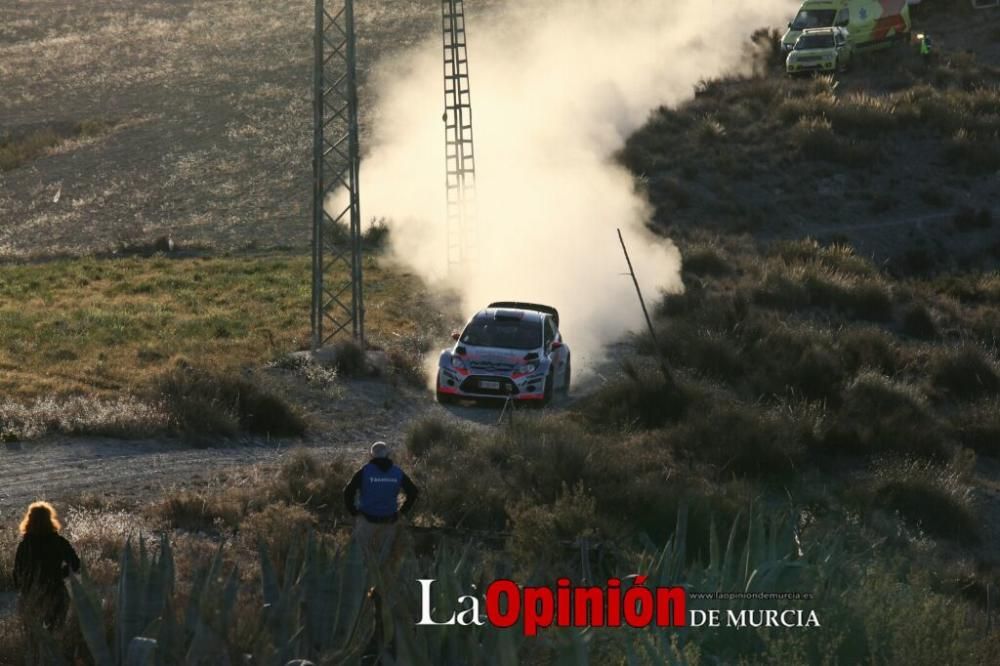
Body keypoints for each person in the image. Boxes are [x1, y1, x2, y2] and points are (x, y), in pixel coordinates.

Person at [343, 441, 419, 567]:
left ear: (371, 456)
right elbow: (413, 492)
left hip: (366, 521)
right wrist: (402, 512)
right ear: (388, 455)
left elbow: (348, 492)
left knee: (361, 561)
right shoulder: (397, 472)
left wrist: (354, 512)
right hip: (389, 521)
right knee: (383, 560)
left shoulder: (364, 471)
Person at [14, 501, 81, 631]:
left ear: (29, 520)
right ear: (50, 519)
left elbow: (17, 573)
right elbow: (76, 565)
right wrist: (61, 574)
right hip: (56, 593)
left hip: (32, 596)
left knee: (35, 637)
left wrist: (24, 592)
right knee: (56, 633)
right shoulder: (59, 542)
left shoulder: (25, 546)